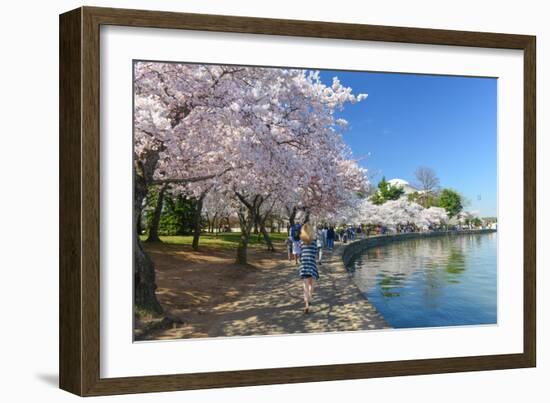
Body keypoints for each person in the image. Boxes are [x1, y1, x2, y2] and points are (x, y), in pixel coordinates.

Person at [298, 224, 319, 313]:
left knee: (305, 286)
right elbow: (315, 254)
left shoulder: (301, 242)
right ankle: (310, 297)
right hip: (312, 265)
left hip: (304, 265)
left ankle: (306, 304)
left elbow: (300, 255)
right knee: (312, 284)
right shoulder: (314, 242)